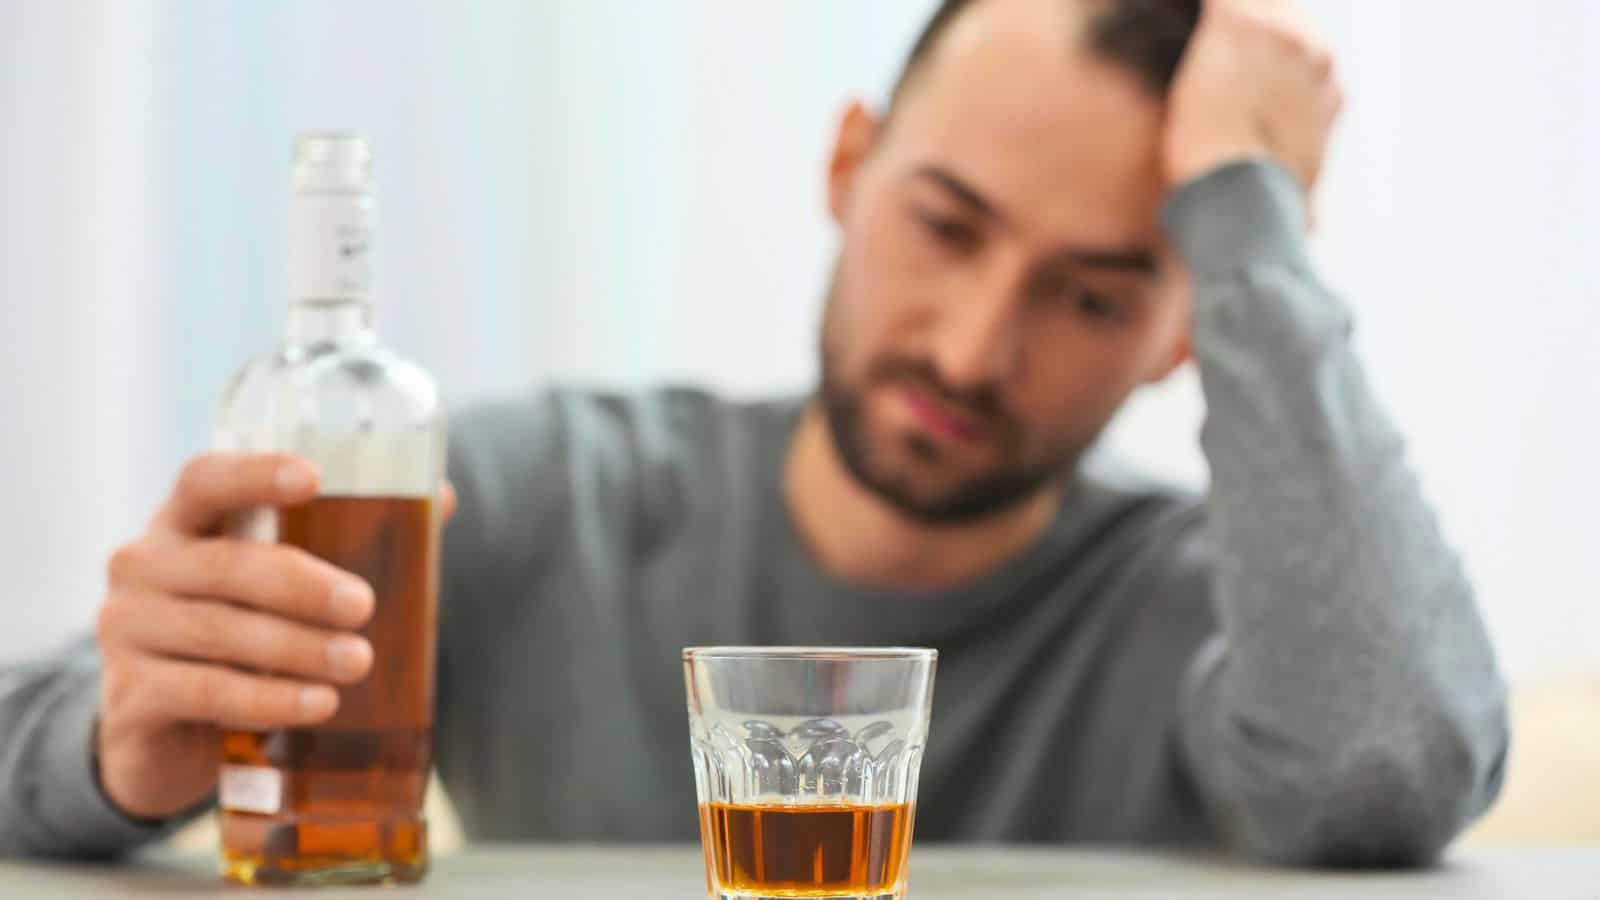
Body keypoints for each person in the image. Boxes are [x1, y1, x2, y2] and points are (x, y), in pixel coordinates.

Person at [0, 0, 1507, 867]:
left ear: (1190, 325)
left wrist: (1244, 213)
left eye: (1097, 293)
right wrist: (126, 746)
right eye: (945, 225)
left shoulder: (1212, 610)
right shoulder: (541, 495)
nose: (973, 348)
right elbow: (40, 726)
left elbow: (1389, 762)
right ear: (847, 167)